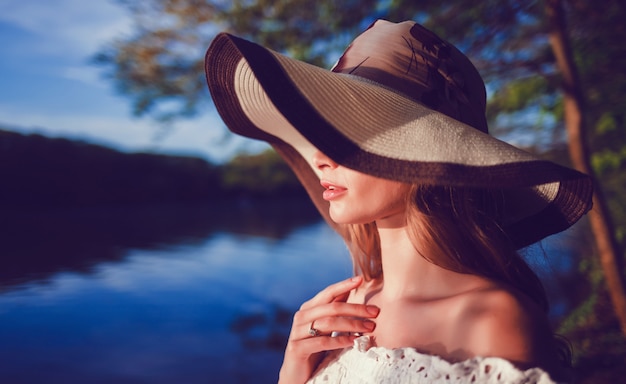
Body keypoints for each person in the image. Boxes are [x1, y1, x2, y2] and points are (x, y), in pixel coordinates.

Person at [204, 19, 593, 383]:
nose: (320, 157)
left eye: (351, 133)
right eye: (324, 134)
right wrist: (293, 371)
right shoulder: (347, 305)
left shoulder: (493, 321)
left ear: (429, 152)